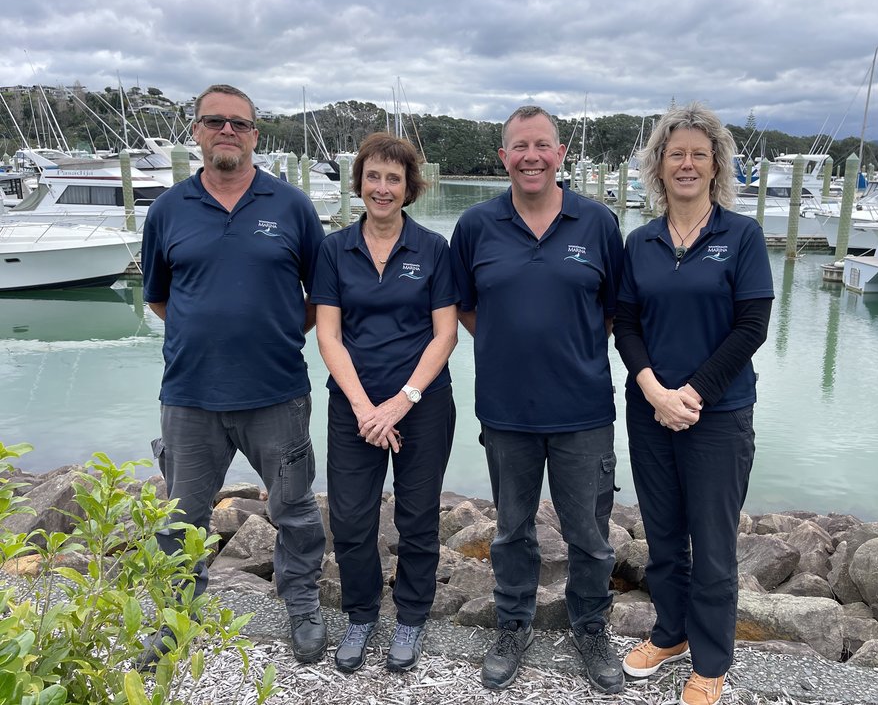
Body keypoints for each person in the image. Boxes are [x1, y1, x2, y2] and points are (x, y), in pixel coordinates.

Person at [141, 84, 328, 666]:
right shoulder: (168, 209)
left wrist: (266, 331)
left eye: (239, 124)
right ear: (196, 131)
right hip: (191, 396)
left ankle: (301, 604)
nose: (227, 131)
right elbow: (160, 299)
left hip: (277, 392)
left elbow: (319, 296)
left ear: (255, 135)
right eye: (214, 121)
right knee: (181, 519)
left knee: (295, 510)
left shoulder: (292, 206)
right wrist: (211, 333)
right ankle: (176, 619)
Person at [450, 106, 625, 694]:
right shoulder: (475, 226)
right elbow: (466, 308)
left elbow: (612, 310)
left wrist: (568, 347)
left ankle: (591, 626)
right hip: (506, 412)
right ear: (503, 157)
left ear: (561, 154)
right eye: (519, 146)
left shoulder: (598, 223)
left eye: (542, 145)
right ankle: (513, 623)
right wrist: (509, 343)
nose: (531, 156)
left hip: (583, 411)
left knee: (591, 535)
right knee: (510, 531)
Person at [614, 102, 773, 705]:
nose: (686, 164)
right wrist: (653, 388)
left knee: (711, 544)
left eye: (698, 155)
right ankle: (671, 633)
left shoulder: (742, 235)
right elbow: (625, 323)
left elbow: (751, 325)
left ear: (715, 166)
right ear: (659, 165)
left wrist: (693, 392)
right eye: (674, 153)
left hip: (719, 415)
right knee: (662, 536)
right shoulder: (641, 241)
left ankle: (710, 660)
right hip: (650, 411)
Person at [312, 133, 458, 673]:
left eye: (393, 178)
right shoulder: (333, 249)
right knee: (350, 519)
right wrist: (364, 408)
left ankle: (412, 616)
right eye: (373, 176)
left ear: (409, 186)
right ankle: (360, 614)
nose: (382, 187)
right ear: (359, 183)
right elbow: (328, 336)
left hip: (422, 405)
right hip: (353, 407)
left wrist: (400, 402)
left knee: (419, 518)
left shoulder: (433, 249)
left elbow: (445, 335)